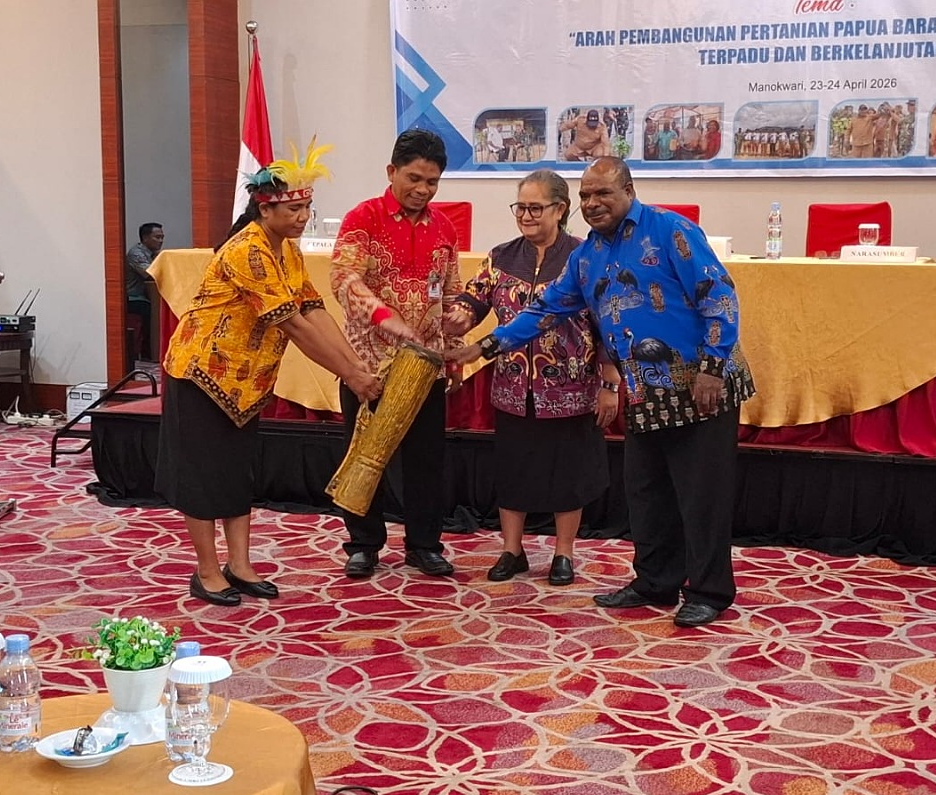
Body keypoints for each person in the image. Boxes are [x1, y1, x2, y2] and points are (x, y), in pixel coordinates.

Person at [447, 157, 755, 628]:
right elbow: (545, 310)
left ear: (628, 190)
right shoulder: (586, 257)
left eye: (603, 193)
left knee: (701, 495)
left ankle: (709, 591)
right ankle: (655, 582)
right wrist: (484, 347)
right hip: (645, 391)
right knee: (647, 493)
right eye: (586, 195)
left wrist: (712, 368)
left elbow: (719, 295)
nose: (592, 203)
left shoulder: (670, 230)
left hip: (700, 385)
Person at [157, 141, 381, 606]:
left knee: (237, 475)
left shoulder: (288, 252)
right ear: (265, 209)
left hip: (244, 384)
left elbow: (315, 310)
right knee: (203, 478)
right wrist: (352, 376)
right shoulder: (249, 251)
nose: (303, 217)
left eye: (307, 208)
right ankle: (207, 570)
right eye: (294, 209)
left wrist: (355, 364)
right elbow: (294, 326)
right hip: (201, 376)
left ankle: (239, 565)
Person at [442, 170, 620, 585]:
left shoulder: (584, 257)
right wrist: (459, 317)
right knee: (513, 471)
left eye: (535, 208)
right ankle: (511, 550)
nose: (525, 215)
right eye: (520, 207)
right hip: (512, 386)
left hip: (571, 387)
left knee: (568, 473)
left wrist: (610, 384)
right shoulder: (502, 256)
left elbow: (607, 323)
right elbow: (474, 298)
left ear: (560, 209)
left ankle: (563, 553)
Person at [330, 129, 465, 580]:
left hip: (425, 368)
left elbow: (451, 294)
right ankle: (363, 543)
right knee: (365, 452)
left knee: (426, 459)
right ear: (391, 172)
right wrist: (385, 318)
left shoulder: (444, 228)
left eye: (432, 182)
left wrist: (454, 354)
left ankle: (424, 544)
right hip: (368, 362)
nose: (423, 190)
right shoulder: (363, 218)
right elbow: (344, 280)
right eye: (414, 178)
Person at [125, 222, 164, 362]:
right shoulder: (136, 253)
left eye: (162, 237)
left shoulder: (153, 253)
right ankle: (148, 354)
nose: (161, 241)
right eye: (157, 237)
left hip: (146, 296)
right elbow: (150, 274)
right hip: (133, 297)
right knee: (150, 312)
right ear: (145, 238)